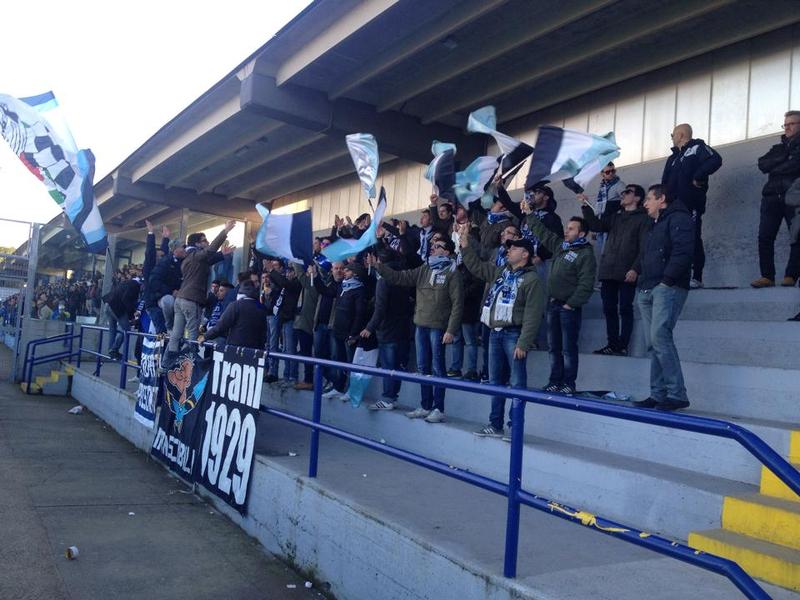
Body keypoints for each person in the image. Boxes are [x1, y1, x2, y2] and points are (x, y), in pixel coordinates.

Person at [459, 231, 545, 437]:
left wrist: (524, 342)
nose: (509, 250)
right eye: (509, 247)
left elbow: (533, 314)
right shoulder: (501, 272)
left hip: (514, 334)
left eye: (514, 248)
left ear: (525, 254)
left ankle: (515, 427)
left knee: (517, 382)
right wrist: (465, 246)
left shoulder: (532, 279)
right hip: (494, 333)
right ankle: (495, 424)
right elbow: (477, 267)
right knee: (495, 381)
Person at [369, 238, 463, 424]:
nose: (432, 248)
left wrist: (451, 329)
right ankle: (425, 405)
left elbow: (458, 304)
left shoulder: (453, 273)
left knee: (437, 368)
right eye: (432, 245)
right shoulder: (424, 268)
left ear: (447, 252)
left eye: (437, 246)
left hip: (438, 328)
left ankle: (438, 408)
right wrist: (379, 267)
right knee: (423, 368)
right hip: (420, 325)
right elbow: (400, 277)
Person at [633, 185, 694, 411]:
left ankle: (677, 394)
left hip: (667, 287)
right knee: (652, 343)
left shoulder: (680, 219)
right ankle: (658, 394)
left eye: (649, 199)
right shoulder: (654, 224)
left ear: (662, 199)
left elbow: (683, 252)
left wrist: (666, 280)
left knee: (660, 337)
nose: (645, 203)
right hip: (647, 287)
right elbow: (646, 255)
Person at [524, 213, 596, 395]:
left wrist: (571, 304)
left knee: (568, 348)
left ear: (581, 234)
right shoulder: (561, 247)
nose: (566, 231)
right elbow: (544, 233)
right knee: (553, 347)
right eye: (566, 227)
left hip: (568, 308)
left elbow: (586, 283)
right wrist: (529, 215)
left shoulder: (586, 254)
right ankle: (554, 381)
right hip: (553, 304)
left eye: (571, 229)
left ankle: (568, 383)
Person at [581, 184, 650, 356]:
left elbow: (645, 247)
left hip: (627, 271)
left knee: (625, 308)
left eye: (628, 192)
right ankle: (612, 344)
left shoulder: (644, 219)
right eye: (623, 192)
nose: (623, 194)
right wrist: (585, 206)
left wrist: (635, 269)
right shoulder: (616, 217)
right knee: (609, 308)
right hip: (608, 270)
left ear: (637, 198)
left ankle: (623, 345)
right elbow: (596, 226)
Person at [661, 124, 722, 288]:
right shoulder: (672, 158)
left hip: (690, 204)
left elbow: (716, 159)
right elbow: (664, 183)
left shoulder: (697, 147)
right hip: (672, 208)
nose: (672, 138)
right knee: (671, 240)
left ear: (681, 135)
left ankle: (696, 277)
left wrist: (698, 176)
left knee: (692, 238)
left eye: (672, 135)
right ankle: (673, 277)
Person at [168, 220, 236, 355]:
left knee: (176, 334)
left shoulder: (189, 258)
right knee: (192, 335)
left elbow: (206, 260)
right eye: (204, 240)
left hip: (181, 299)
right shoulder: (195, 255)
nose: (207, 242)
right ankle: (188, 362)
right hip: (191, 300)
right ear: (197, 244)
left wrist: (221, 254)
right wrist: (225, 231)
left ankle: (168, 361)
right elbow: (209, 252)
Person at [752, 111, 800, 288]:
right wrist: (785, 158)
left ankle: (791, 276)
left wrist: (777, 165)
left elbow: (796, 164)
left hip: (794, 197)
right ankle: (767, 277)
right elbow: (762, 164)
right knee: (764, 236)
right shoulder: (778, 148)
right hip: (771, 197)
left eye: (791, 124)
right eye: (785, 124)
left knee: (797, 237)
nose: (787, 127)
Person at [362, 247, 414, 410]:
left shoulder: (384, 280)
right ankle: (392, 397)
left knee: (388, 366)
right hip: (404, 328)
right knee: (397, 366)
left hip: (388, 330)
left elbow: (380, 308)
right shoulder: (403, 276)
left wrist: (369, 327)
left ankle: (388, 398)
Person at [321, 261, 369, 400]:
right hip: (338, 331)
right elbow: (325, 291)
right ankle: (338, 387)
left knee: (351, 363)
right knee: (339, 360)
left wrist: (353, 334)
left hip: (350, 334)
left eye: (347, 270)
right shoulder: (342, 287)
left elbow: (359, 314)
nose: (343, 272)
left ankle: (351, 390)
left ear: (355, 273)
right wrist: (316, 276)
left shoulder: (359, 291)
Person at [203, 280, 268, 350]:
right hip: (254, 349)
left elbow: (221, 325)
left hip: (235, 347)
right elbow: (263, 333)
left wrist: (205, 336)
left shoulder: (235, 305)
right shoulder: (260, 307)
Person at [145, 240, 186, 334]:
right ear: (175, 249)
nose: (185, 249)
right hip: (160, 299)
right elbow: (154, 281)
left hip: (181, 297)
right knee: (168, 301)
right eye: (183, 247)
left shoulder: (185, 261)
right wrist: (171, 291)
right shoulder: (165, 262)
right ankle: (169, 325)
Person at [291, 263, 320, 391]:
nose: (307, 271)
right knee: (304, 352)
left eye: (310, 270)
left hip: (306, 324)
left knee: (307, 353)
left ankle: (309, 380)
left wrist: (295, 260)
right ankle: (307, 379)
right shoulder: (308, 284)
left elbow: (300, 276)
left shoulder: (312, 285)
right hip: (300, 323)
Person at [103, 272, 141, 361]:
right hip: (116, 307)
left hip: (108, 305)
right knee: (126, 329)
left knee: (112, 329)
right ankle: (114, 350)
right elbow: (126, 300)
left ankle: (111, 351)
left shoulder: (126, 283)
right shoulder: (135, 286)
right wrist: (132, 315)